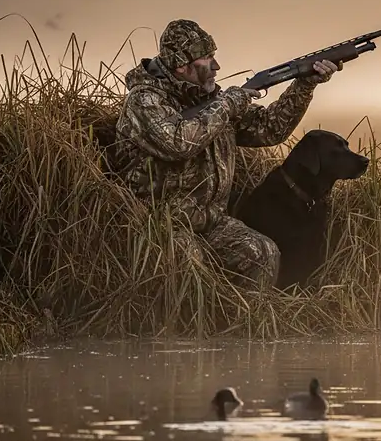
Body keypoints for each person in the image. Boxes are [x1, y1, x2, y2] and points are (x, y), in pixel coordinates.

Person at [115, 18, 340, 290]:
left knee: (262, 252)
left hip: (210, 223)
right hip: (159, 225)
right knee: (188, 263)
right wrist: (229, 102)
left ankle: (244, 328)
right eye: (206, 58)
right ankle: (179, 332)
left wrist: (305, 86)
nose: (216, 66)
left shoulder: (210, 101)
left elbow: (270, 129)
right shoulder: (144, 100)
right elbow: (177, 143)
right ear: (181, 65)